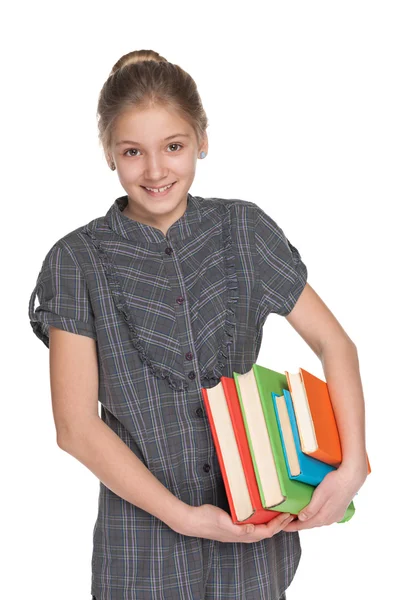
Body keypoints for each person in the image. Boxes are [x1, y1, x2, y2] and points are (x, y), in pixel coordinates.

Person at [28, 49, 368, 600]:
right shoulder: (76, 260)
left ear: (202, 140)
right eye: (133, 151)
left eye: (174, 146)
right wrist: (184, 517)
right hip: (140, 550)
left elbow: (335, 342)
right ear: (110, 155)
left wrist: (353, 465)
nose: (156, 170)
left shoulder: (243, 230)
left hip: (258, 532)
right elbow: (75, 426)